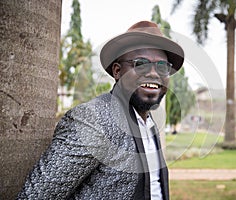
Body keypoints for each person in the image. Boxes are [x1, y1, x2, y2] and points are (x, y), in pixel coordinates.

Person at [18, 21, 184, 200]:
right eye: (141, 63)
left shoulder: (148, 123)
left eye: (162, 66)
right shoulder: (92, 119)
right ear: (118, 71)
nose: (153, 73)